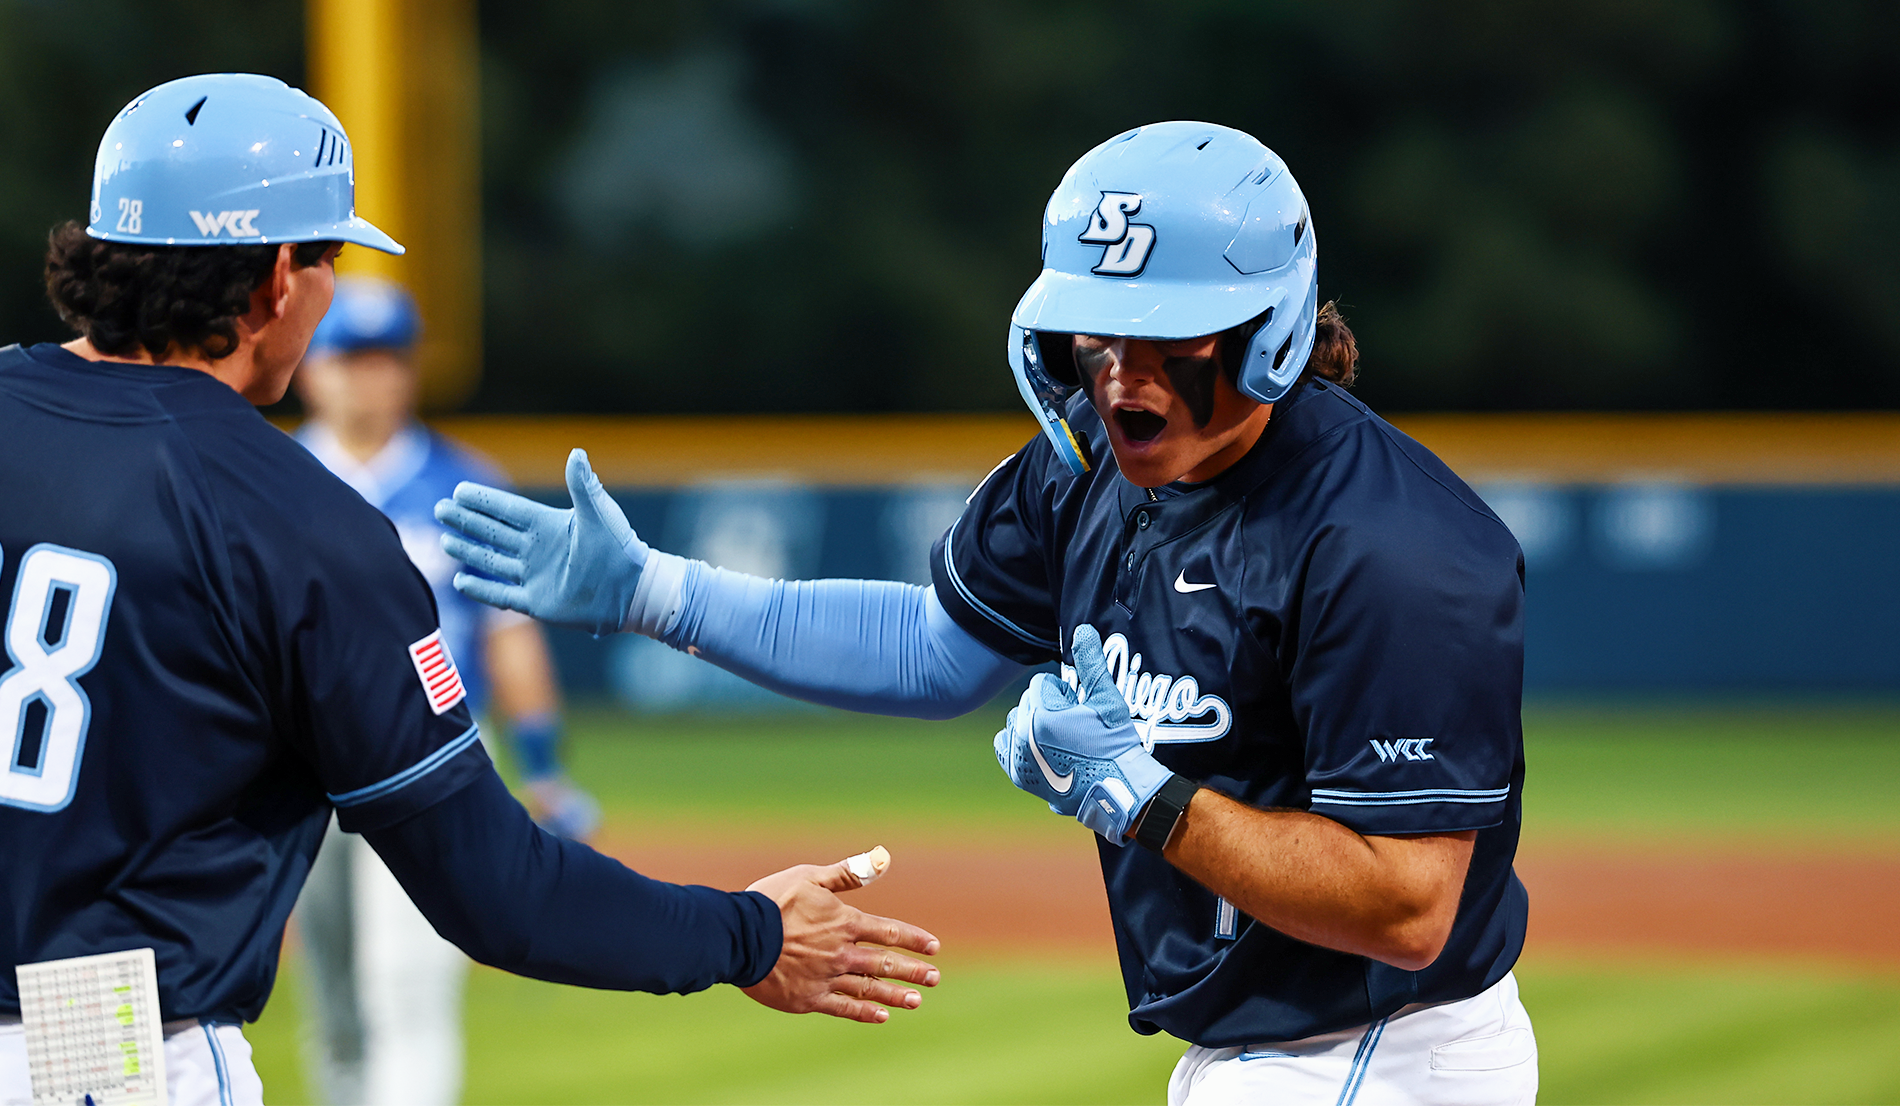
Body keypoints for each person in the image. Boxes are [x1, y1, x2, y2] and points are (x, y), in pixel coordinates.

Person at [437, 121, 1534, 1105]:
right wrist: (655, 592)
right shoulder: (1086, 466)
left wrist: (1148, 803)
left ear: (1269, 332)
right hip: (1268, 1044)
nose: (1119, 376)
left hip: (1382, 1050)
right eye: (1097, 334)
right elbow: (928, 650)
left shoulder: (1391, 548)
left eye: (1169, 338)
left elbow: (1406, 905)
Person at [0, 74, 936, 1106]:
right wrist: (752, 932)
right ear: (278, 277)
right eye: (330, 258)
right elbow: (496, 889)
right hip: (92, 1039)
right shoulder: (299, 521)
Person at [288, 276, 602, 1105]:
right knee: (336, 995)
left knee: (409, 985)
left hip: (434, 758)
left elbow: (510, 636)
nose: (371, 377)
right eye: (351, 358)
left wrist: (543, 767)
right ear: (312, 368)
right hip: (297, 765)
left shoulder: (464, 484)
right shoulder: (273, 478)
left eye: (388, 357)